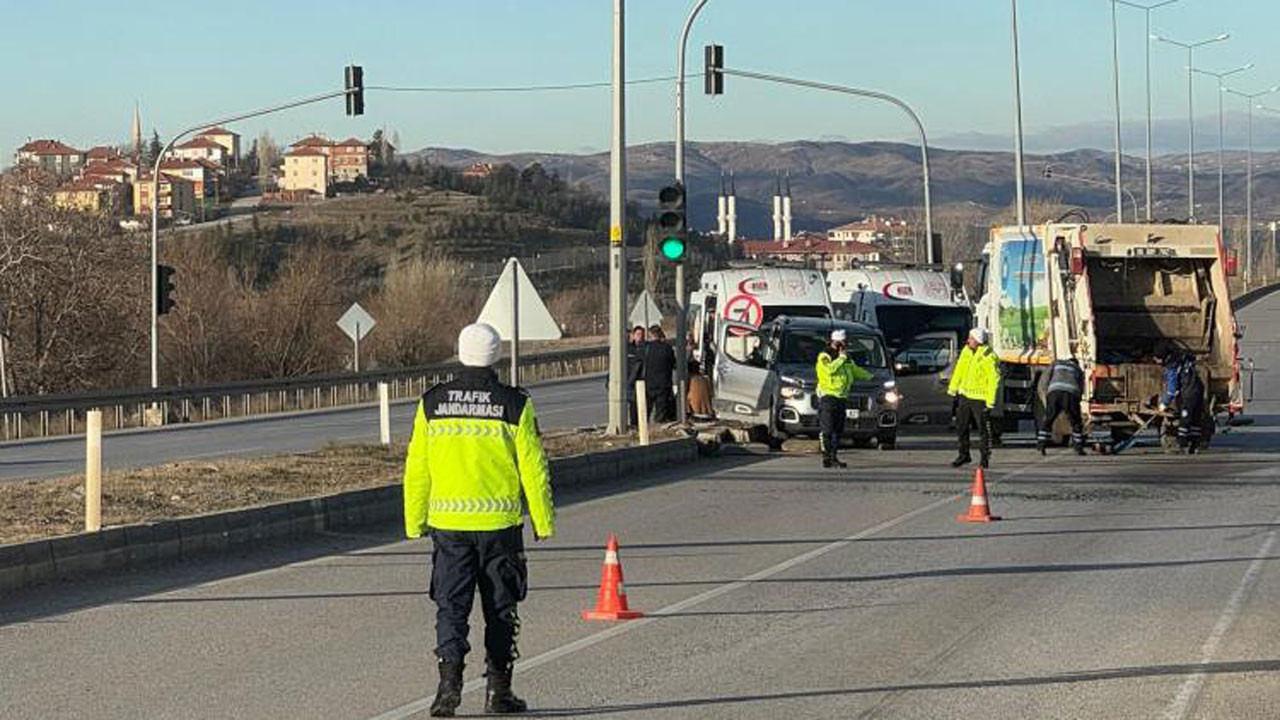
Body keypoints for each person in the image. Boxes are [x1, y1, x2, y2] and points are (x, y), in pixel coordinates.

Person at [403, 323, 556, 717]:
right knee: (501, 610)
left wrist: (414, 519)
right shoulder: (515, 404)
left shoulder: (433, 403)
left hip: (448, 528)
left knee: (451, 608)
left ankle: (447, 690)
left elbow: (417, 468)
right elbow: (533, 468)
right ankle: (498, 692)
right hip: (500, 529)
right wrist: (542, 519)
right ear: (497, 356)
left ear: (459, 352)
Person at [815, 329, 873, 469]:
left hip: (841, 398)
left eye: (845, 342)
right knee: (827, 430)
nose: (845, 345)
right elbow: (828, 371)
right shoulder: (825, 356)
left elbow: (855, 371)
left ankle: (834, 457)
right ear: (835, 342)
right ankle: (826, 456)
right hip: (828, 397)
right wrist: (840, 358)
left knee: (837, 430)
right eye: (842, 342)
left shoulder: (847, 358)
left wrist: (871, 377)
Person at [948, 327, 1000, 468]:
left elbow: (993, 380)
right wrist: (953, 389)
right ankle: (964, 455)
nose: (968, 341)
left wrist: (990, 402)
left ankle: (984, 458)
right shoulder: (966, 352)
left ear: (977, 341)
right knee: (961, 427)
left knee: (983, 430)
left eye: (970, 338)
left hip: (980, 398)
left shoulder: (988, 356)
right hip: (965, 396)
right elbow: (959, 371)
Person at [1036, 355, 1086, 456]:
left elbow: (1044, 380)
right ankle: (1078, 447)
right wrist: (1078, 400)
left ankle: (1041, 444)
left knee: (1048, 420)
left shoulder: (1056, 364)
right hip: (1071, 394)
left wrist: (1047, 397)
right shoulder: (1078, 369)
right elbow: (1081, 386)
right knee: (1076, 421)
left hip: (1055, 392)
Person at [1159, 348, 1206, 454]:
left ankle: (1181, 444)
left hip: (1189, 392)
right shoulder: (1184, 358)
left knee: (1185, 419)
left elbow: (1172, 389)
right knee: (1195, 419)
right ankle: (1194, 444)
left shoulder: (1172, 367)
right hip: (1199, 390)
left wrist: (1164, 403)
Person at [644, 325, 677, 423]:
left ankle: (644, 428)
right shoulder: (667, 348)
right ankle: (658, 427)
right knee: (661, 410)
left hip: (649, 383)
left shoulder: (647, 348)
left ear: (650, 335)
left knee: (646, 410)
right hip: (664, 383)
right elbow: (672, 363)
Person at [625, 325, 647, 427]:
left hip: (641, 383)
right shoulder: (628, 349)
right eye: (638, 335)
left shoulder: (646, 349)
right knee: (632, 407)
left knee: (641, 408)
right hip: (629, 382)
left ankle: (640, 426)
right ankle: (633, 425)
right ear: (633, 336)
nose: (640, 337)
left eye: (642, 335)